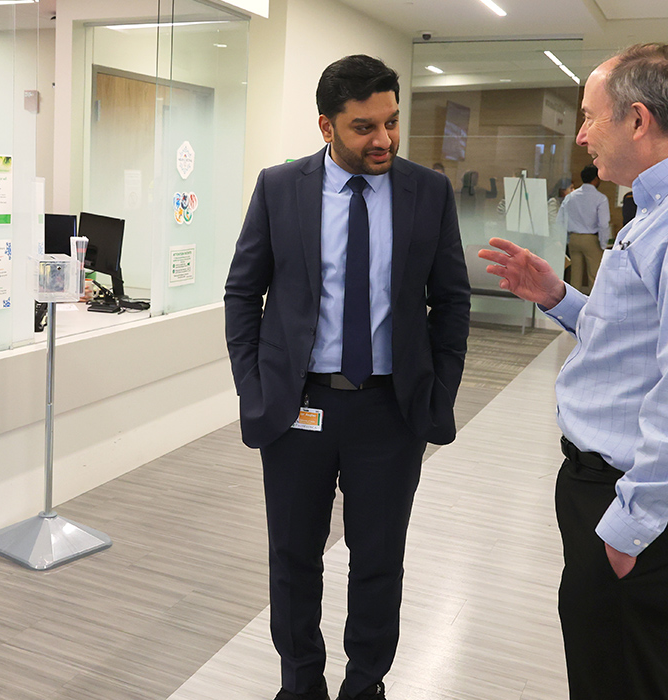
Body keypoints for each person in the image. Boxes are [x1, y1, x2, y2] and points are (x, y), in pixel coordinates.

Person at [478, 43, 668, 700]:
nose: (583, 134)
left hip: (644, 505)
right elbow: (644, 339)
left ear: (639, 120)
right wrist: (559, 297)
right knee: (616, 671)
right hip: (624, 491)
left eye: (591, 117)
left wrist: (628, 532)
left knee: (622, 677)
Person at [224, 54, 470, 700]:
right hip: (297, 409)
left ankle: (366, 685)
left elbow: (451, 301)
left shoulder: (428, 192)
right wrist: (255, 389)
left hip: (389, 412)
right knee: (294, 559)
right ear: (326, 126)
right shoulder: (281, 190)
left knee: (379, 562)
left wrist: (437, 397)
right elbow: (242, 293)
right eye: (364, 127)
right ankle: (300, 682)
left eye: (391, 122)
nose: (384, 139)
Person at [558, 164, 610, 293]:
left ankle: (573, 305)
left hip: (573, 239)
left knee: (575, 276)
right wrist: (603, 244)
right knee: (594, 275)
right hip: (590, 239)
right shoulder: (600, 198)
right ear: (596, 179)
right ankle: (594, 307)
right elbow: (603, 224)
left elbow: (559, 220)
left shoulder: (570, 197)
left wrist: (563, 239)